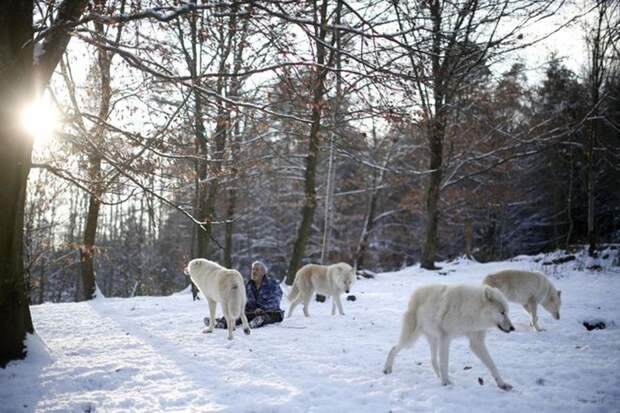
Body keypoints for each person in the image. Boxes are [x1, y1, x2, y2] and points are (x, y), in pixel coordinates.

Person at [205, 260, 284, 329]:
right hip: (252, 313)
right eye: (253, 269)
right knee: (238, 314)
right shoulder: (247, 286)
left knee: (270, 316)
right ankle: (221, 323)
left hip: (270, 312)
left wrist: (263, 309)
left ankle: (258, 321)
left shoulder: (272, 285)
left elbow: (275, 301)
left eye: (257, 270)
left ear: (263, 272)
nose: (253, 272)